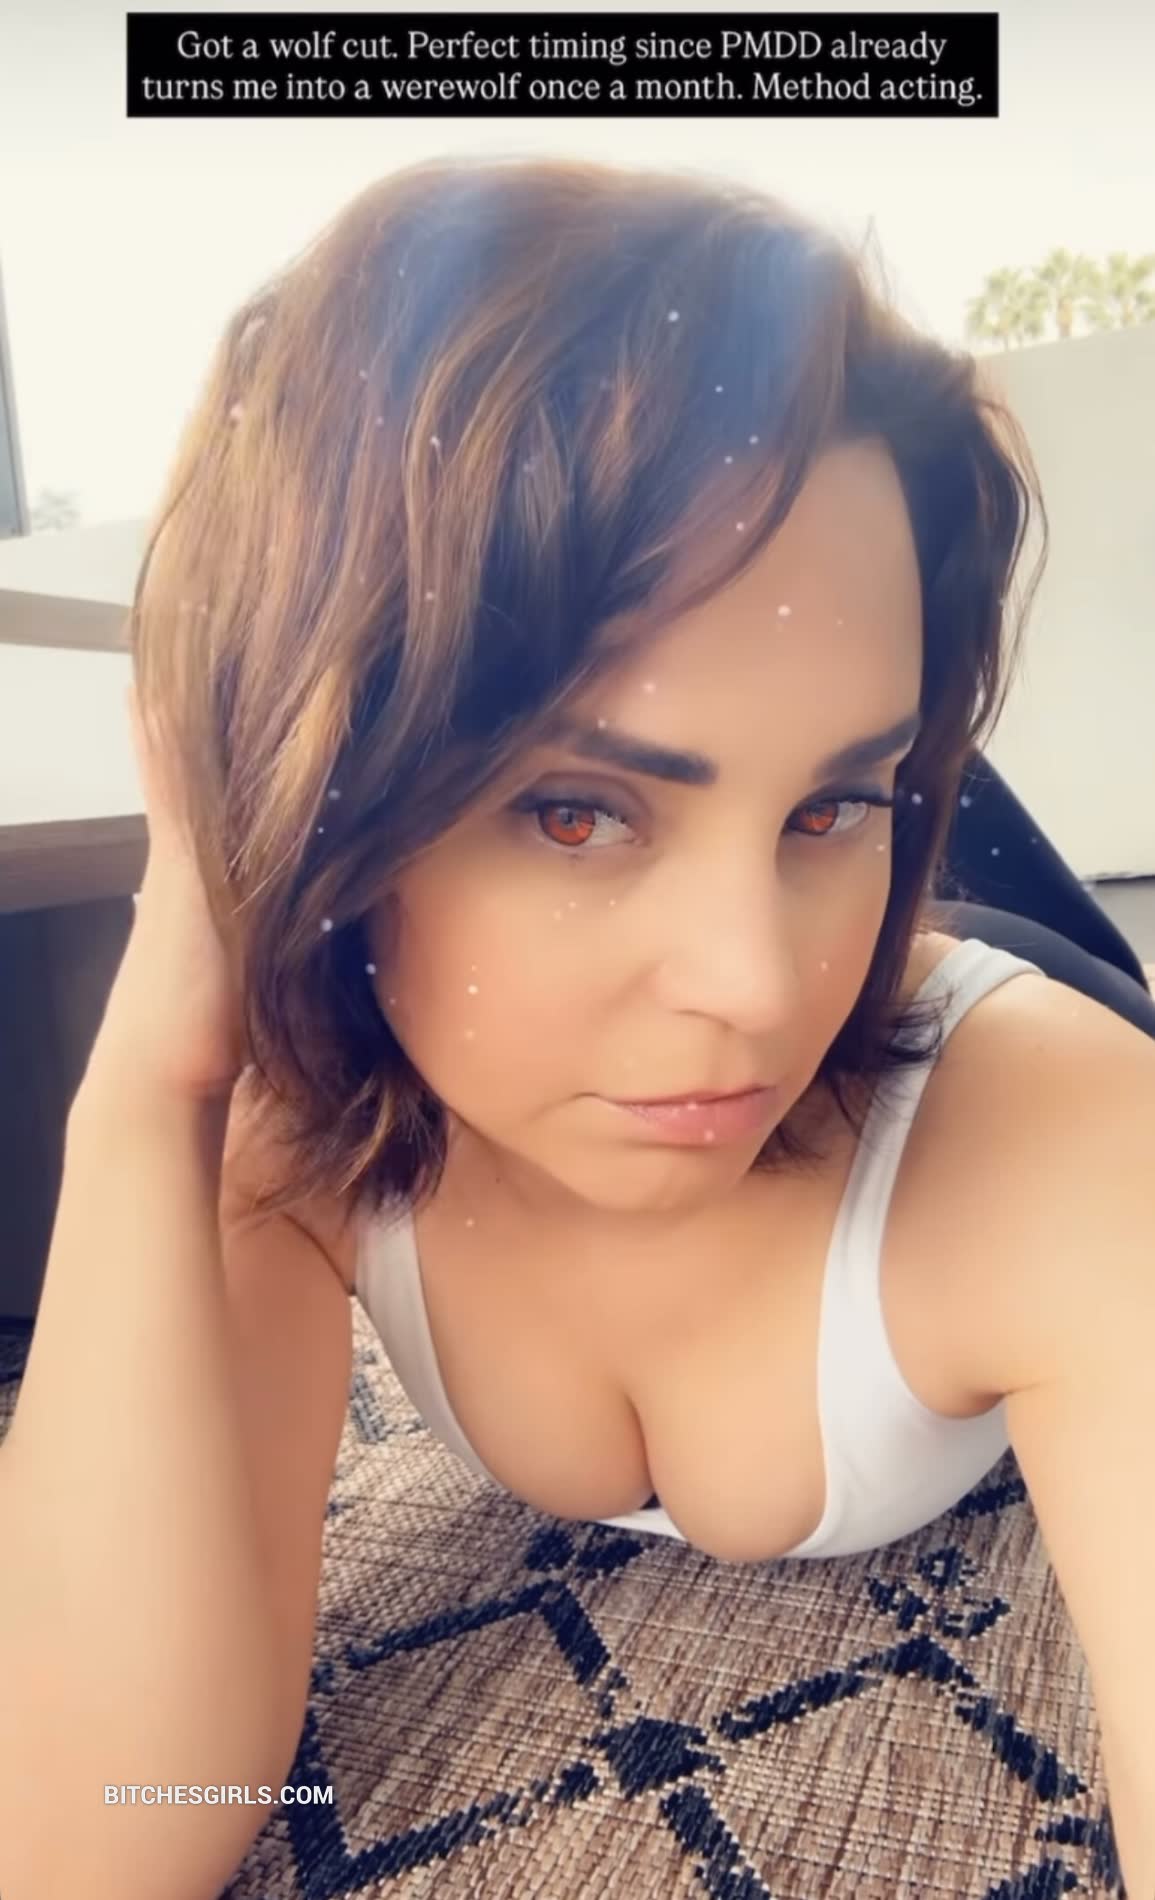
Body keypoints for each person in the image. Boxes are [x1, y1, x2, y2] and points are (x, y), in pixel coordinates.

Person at [2, 156, 1153, 1900]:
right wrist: (154, 1073)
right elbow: (95, 1833)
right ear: (311, 788)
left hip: (999, 972)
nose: (756, 985)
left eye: (837, 798)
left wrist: (816, 823)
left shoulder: (1065, 1138)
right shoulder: (305, 1135)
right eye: (575, 810)